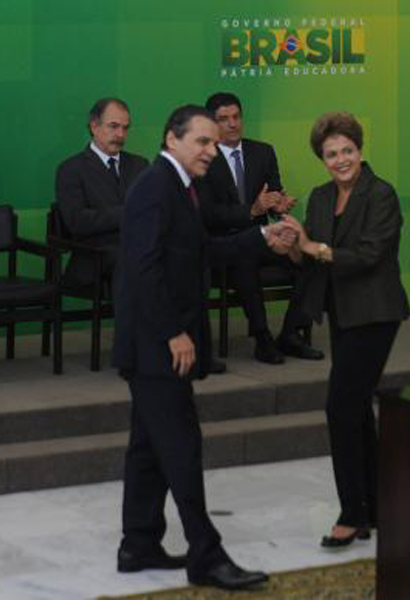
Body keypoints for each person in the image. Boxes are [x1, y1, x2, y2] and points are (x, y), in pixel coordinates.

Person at [112, 105, 296, 590]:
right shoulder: (154, 188)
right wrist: (173, 332)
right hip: (157, 346)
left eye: (215, 143)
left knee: (148, 447)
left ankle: (139, 544)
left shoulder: (180, 187)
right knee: (180, 446)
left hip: (156, 343)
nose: (213, 152)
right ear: (172, 139)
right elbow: (143, 268)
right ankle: (206, 555)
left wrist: (262, 237)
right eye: (203, 142)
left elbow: (203, 252)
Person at [285, 112, 410, 546]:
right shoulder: (320, 197)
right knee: (355, 409)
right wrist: (294, 248)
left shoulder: (381, 194)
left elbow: (369, 255)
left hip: (375, 312)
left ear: (360, 150)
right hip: (340, 311)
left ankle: (352, 514)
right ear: (321, 159)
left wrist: (311, 247)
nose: (340, 160)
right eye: (331, 154)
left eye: (347, 151)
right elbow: (315, 255)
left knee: (341, 407)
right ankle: (376, 507)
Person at [197, 92, 324, 364]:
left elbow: (273, 190)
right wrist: (252, 210)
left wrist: (278, 204)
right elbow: (207, 214)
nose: (232, 124)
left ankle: (291, 333)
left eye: (236, 117)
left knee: (312, 257)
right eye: (223, 119)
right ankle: (262, 337)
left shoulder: (262, 152)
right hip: (223, 245)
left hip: (264, 237)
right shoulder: (203, 158)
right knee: (246, 256)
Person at [55, 97, 149, 290]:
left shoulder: (140, 165)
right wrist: (128, 212)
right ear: (94, 127)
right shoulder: (71, 169)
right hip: (95, 256)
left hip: (138, 248)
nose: (120, 134)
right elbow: (77, 221)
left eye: (125, 128)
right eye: (113, 126)